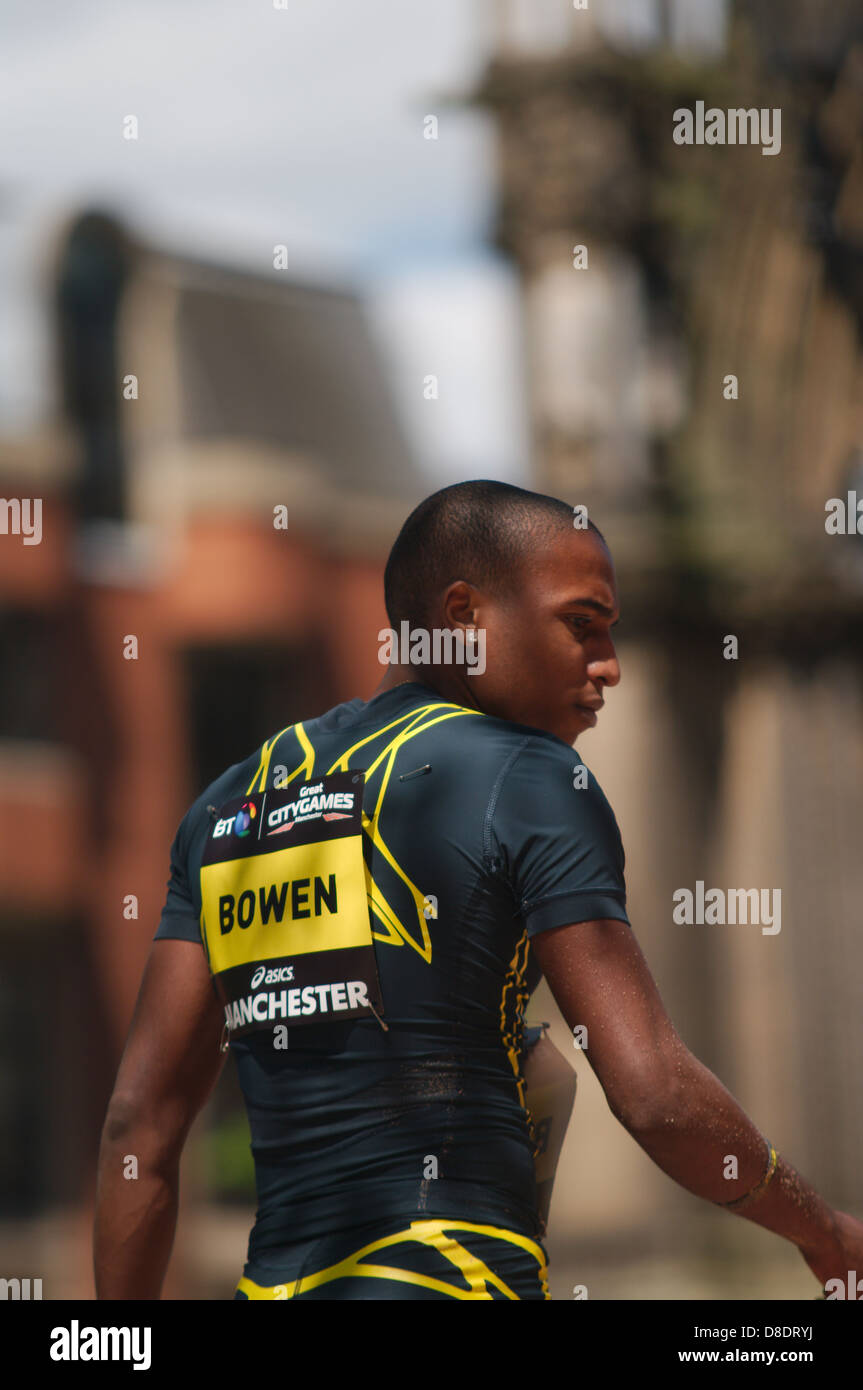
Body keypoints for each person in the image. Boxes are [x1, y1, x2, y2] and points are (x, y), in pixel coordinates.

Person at [94, 479, 862, 1300]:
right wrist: (826, 1233)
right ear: (463, 616)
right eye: (580, 625)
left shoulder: (225, 808)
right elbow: (652, 1093)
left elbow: (138, 1125)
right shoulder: (528, 775)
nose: (608, 667)